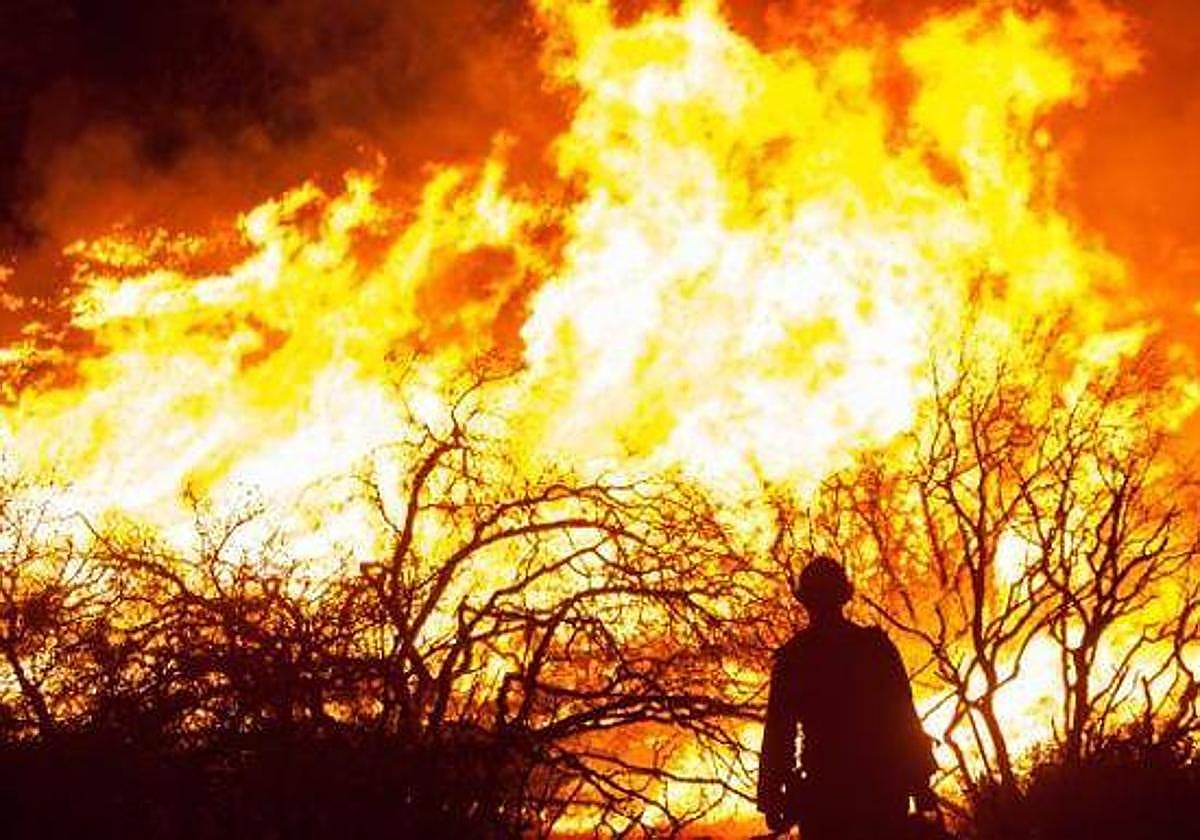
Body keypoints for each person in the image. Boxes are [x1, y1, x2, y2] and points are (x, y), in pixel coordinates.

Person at [757, 556, 937, 838]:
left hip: (829, 799)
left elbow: (779, 734)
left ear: (806, 601)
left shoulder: (795, 657)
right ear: (844, 595)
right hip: (879, 793)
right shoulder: (875, 648)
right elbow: (904, 719)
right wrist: (920, 782)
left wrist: (770, 795)